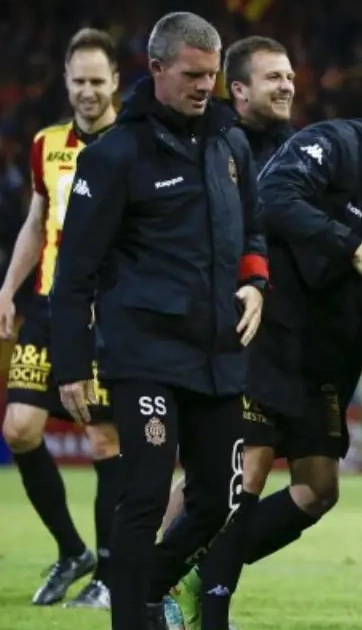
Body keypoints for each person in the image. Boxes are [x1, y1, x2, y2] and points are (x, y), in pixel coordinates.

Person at [172, 116, 362, 630]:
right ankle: (198, 604)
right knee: (247, 471)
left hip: (323, 358)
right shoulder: (338, 144)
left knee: (318, 489)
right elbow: (273, 198)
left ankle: (182, 567)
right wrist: (356, 250)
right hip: (268, 332)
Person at [48, 12, 268, 630]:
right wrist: (72, 364)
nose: (205, 87)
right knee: (145, 492)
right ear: (156, 69)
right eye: (192, 75)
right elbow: (74, 271)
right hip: (144, 352)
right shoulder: (115, 155)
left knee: (219, 499)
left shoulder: (230, 143)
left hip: (217, 352)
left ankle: (141, 591)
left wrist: (255, 284)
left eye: (212, 75)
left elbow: (253, 230)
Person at [0, 27, 120, 610]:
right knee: (18, 429)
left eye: (98, 81)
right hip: (49, 306)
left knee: (103, 438)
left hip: (107, 313)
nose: (88, 91)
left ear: (116, 81)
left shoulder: (135, 145)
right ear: (67, 83)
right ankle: (74, 551)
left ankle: (111, 574)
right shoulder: (46, 144)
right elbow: (36, 221)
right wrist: (8, 287)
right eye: (79, 82)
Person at [160, 33, 297, 543]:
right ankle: (153, 570)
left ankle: (158, 570)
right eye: (274, 77)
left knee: (237, 471)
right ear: (238, 89)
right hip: (219, 327)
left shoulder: (295, 148)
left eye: (290, 77)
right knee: (234, 466)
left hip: (275, 330)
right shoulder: (209, 143)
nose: (287, 86)